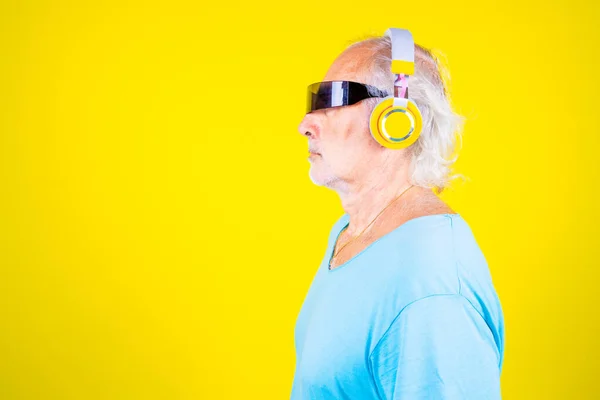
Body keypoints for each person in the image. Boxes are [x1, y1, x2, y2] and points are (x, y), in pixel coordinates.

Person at [290, 28, 504, 399]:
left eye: (333, 99)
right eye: (313, 102)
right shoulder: (352, 231)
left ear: (395, 121)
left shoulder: (431, 287)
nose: (305, 125)